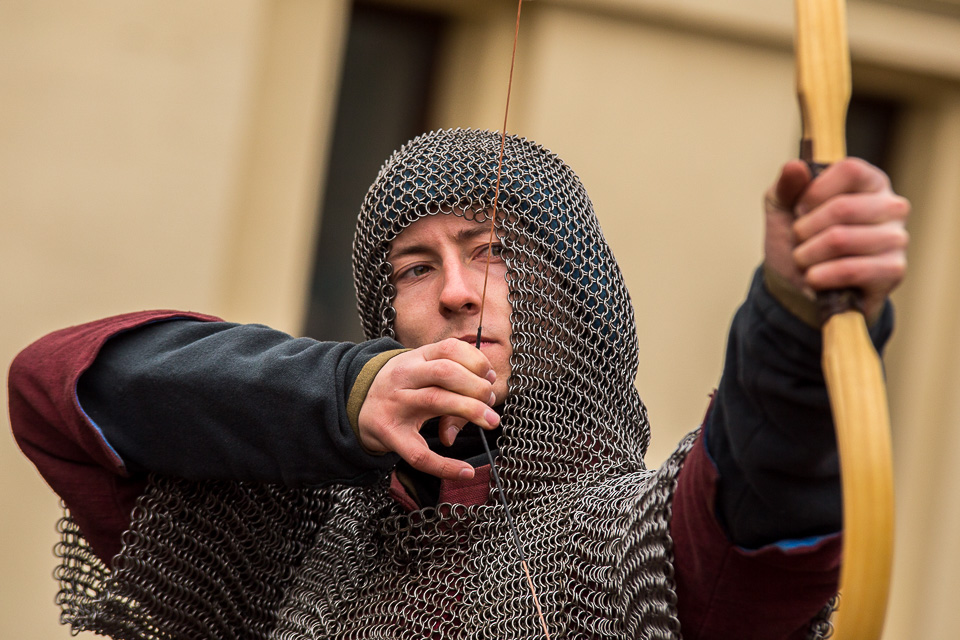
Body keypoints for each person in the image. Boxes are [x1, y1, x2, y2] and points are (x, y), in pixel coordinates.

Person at [9, 128, 908, 639]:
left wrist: (795, 323)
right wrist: (342, 394)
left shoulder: (631, 547)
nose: (453, 290)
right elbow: (57, 389)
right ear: (386, 317)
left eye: (494, 251)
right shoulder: (292, 544)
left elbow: (768, 493)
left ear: (574, 296)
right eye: (414, 267)